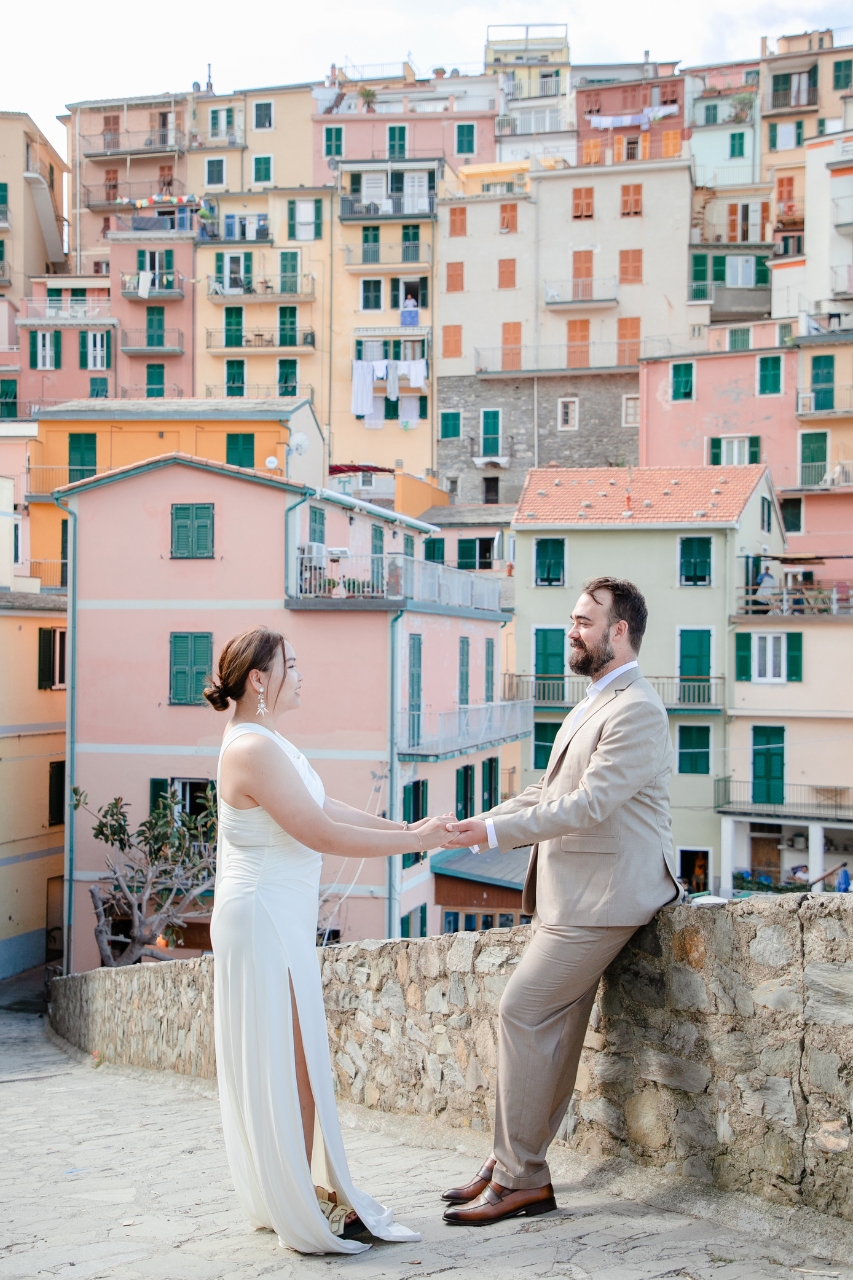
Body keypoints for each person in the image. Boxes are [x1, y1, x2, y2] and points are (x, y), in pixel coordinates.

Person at [437, 577, 681, 1226]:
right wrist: (479, 823)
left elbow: (586, 806)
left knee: (521, 1010)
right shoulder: (594, 699)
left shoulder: (635, 709)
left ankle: (520, 1176)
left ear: (618, 631)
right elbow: (548, 794)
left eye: (582, 621)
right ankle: (512, 1160)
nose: (571, 630)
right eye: (573, 620)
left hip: (609, 896)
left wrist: (492, 834)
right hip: (573, 894)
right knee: (547, 1031)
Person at [207, 626, 447, 1254]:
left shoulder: (268, 741)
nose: (301, 673)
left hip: (277, 915)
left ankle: (307, 1189)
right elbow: (317, 831)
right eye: (291, 664)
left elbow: (327, 805)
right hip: (261, 916)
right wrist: (413, 844)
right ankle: (307, 1199)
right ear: (260, 679)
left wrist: (407, 827)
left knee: (299, 1061)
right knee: (294, 1068)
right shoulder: (252, 749)